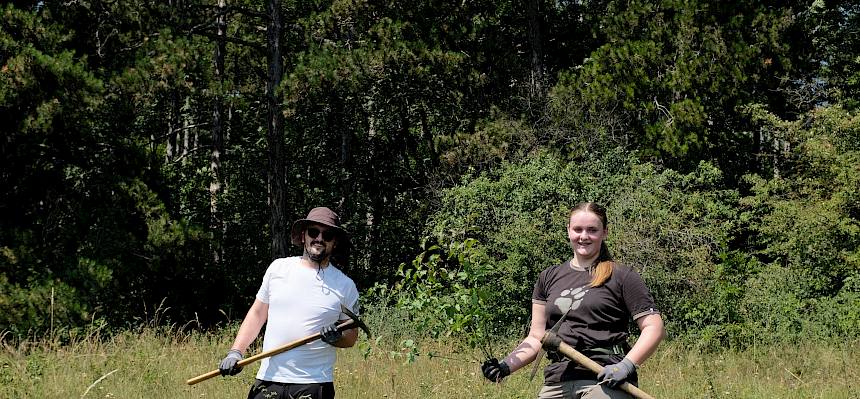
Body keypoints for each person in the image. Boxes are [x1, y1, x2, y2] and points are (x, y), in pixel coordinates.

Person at [481, 202, 665, 399]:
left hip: (606, 379)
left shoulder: (621, 276)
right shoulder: (549, 277)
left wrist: (626, 366)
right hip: (558, 380)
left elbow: (654, 327)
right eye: (578, 229)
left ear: (605, 233)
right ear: (568, 230)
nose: (584, 236)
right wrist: (504, 366)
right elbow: (537, 337)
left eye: (592, 230)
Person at [218, 207, 360, 399]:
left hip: (314, 384)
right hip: (269, 379)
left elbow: (351, 336)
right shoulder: (278, 269)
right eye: (313, 232)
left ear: (334, 243)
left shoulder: (345, 286)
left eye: (327, 235)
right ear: (303, 236)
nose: (319, 238)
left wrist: (337, 338)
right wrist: (235, 352)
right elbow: (257, 314)